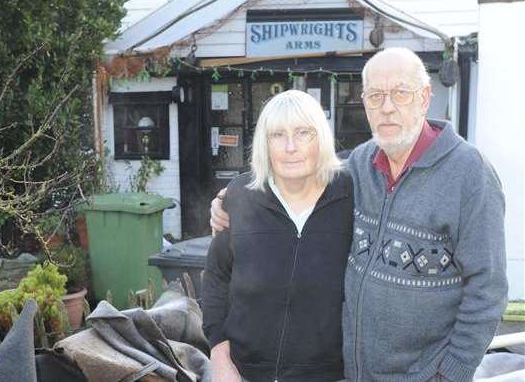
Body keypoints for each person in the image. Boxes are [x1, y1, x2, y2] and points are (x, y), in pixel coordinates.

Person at [210, 48, 508, 382]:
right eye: (376, 96)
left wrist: (451, 373)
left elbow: (488, 289)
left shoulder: (470, 175)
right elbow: (299, 173)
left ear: (425, 98)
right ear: (364, 102)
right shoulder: (358, 168)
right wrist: (229, 200)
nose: (387, 107)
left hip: (426, 375)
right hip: (354, 374)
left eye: (400, 93)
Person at [203, 89, 354, 382]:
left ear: (320, 138)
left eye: (303, 133)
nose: (290, 147)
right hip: (243, 373)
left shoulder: (351, 195)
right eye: (277, 135)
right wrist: (219, 356)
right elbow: (216, 278)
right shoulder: (240, 195)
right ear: (265, 143)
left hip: (329, 374)